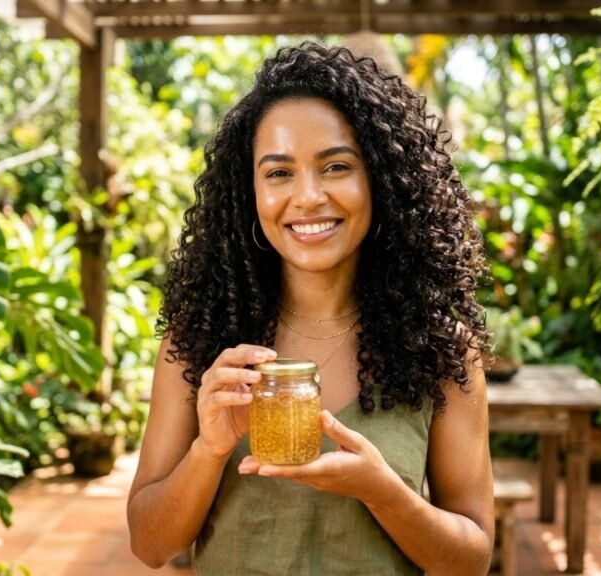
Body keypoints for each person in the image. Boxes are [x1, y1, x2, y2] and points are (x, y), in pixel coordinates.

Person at [127, 42, 494, 575]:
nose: (307, 197)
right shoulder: (199, 341)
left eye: (336, 166)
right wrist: (208, 449)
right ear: (247, 190)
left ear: (381, 180)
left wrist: (384, 493)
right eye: (279, 173)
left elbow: (471, 560)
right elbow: (149, 544)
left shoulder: (439, 347)